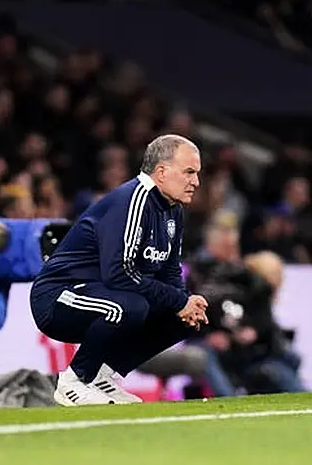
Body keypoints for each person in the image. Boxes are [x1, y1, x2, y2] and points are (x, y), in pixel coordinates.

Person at [30, 134, 209, 406]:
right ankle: (73, 381)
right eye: (189, 172)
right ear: (161, 171)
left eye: (196, 174)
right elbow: (119, 273)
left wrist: (184, 301)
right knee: (129, 306)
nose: (195, 182)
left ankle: (103, 376)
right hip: (58, 296)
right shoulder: (132, 201)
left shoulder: (173, 210)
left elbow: (170, 271)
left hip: (105, 293)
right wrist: (178, 300)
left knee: (182, 318)